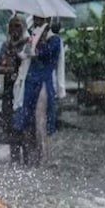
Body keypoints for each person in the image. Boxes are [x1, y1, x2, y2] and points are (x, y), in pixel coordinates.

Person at [12, 16, 65, 166]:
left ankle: (45, 155)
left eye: (40, 20)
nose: (37, 22)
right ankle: (33, 154)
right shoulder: (33, 36)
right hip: (30, 83)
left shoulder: (54, 40)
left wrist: (34, 46)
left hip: (43, 83)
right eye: (35, 19)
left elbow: (44, 54)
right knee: (29, 119)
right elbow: (24, 54)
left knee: (42, 120)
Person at [0, 15, 28, 162]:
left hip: (23, 89)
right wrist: (12, 69)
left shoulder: (27, 44)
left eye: (18, 26)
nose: (14, 29)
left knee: (23, 122)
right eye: (12, 26)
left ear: (24, 28)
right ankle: (14, 159)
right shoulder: (6, 45)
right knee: (10, 122)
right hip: (9, 90)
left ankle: (27, 157)